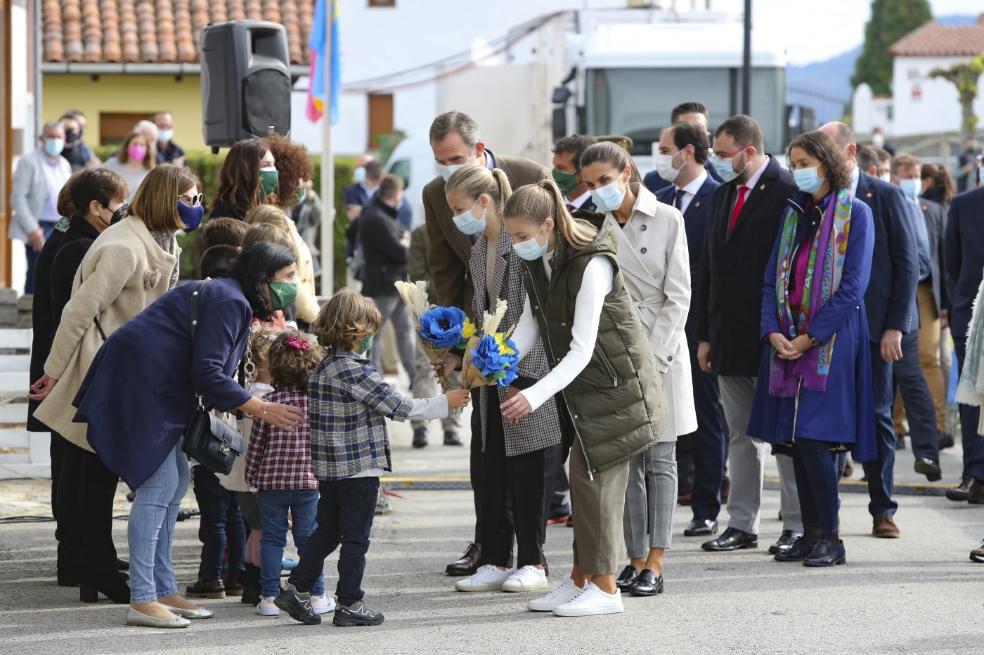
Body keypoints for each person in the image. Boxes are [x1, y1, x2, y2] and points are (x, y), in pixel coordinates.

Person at [70, 242, 305, 628]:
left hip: (152, 388)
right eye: (286, 278)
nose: (291, 287)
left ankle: (163, 589)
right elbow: (209, 373)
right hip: (141, 389)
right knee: (159, 486)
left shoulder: (228, 295)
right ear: (262, 279)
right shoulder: (230, 301)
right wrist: (262, 408)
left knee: (176, 479)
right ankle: (142, 598)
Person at [30, 165, 200, 603]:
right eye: (190, 198)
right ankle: (95, 568)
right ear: (167, 199)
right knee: (91, 474)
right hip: (98, 371)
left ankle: (96, 567)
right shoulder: (125, 246)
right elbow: (78, 312)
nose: (195, 207)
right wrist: (52, 373)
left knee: (98, 473)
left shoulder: (162, 240)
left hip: (125, 371)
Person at [497, 180, 665, 617]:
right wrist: (501, 352)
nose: (515, 246)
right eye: (511, 236)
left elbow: (582, 348)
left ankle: (606, 589)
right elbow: (534, 320)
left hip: (615, 388)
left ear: (548, 225)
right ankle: (579, 580)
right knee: (582, 483)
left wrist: (532, 395)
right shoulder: (542, 256)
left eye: (520, 236)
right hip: (582, 387)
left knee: (597, 488)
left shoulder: (593, 263)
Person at [274, 289, 471, 626]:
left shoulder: (323, 367)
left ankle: (297, 587)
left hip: (329, 469)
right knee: (356, 539)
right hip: (357, 469)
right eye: (369, 334)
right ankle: (349, 601)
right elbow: (399, 406)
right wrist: (445, 402)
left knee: (328, 532)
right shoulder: (355, 371)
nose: (370, 340)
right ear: (357, 332)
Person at [422, 110, 549, 577]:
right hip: (486, 349)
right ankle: (492, 550)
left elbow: (544, 287)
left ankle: (532, 554)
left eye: (454, 157)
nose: (445, 168)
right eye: (438, 160)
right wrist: (455, 341)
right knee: (488, 454)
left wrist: (511, 351)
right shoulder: (472, 238)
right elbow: (447, 273)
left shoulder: (529, 191)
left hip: (529, 354)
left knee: (528, 458)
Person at [748, 130, 876, 567]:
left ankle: (831, 537)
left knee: (817, 439)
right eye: (793, 162)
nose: (797, 170)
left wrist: (810, 337)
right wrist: (773, 333)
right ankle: (807, 531)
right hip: (786, 342)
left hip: (831, 342)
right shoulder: (794, 216)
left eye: (804, 162)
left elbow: (853, 288)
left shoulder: (855, 214)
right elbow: (769, 281)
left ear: (827, 163)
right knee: (794, 441)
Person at [578, 141, 695, 596]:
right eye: (590, 184)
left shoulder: (668, 218)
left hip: (662, 347)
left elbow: (679, 294)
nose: (599, 190)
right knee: (625, 459)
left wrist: (657, 355)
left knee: (661, 458)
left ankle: (657, 561)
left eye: (605, 180)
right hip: (616, 350)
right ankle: (632, 557)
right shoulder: (594, 226)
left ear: (626, 172)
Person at [442, 165, 562, 594]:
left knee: (529, 467)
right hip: (489, 371)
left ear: (484, 202)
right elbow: (482, 309)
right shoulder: (478, 250)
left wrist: (505, 360)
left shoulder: (523, 240)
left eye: (460, 208)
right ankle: (494, 556)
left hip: (529, 368)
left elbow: (536, 314)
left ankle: (533, 558)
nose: (457, 217)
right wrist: (470, 352)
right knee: (488, 463)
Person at [696, 115, 803, 556]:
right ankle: (742, 523)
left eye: (723, 155)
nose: (717, 163)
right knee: (739, 435)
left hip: (777, 338)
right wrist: (705, 334)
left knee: (785, 435)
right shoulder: (723, 194)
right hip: (729, 337)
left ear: (749, 151)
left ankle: (796, 524)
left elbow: (794, 269)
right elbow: (709, 271)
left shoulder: (789, 191)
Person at [28, 170, 128, 592]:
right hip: (68, 372)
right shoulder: (79, 248)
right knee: (76, 472)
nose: (123, 211)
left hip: (62, 370)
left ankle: (86, 555)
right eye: (119, 203)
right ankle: (77, 558)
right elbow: (72, 318)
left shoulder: (70, 238)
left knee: (73, 470)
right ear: (95, 207)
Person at [819, 122, 919, 537]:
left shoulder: (887, 196)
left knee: (878, 416)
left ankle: (883, 509)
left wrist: (896, 326)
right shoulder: (819, 199)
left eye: (827, 156)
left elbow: (907, 264)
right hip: (829, 329)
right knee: (826, 421)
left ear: (851, 152)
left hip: (877, 328)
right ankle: (825, 515)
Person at [654, 120, 728, 537]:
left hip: (699, 325)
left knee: (706, 418)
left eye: (666, 149)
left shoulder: (718, 198)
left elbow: (715, 272)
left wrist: (707, 333)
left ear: (688, 151)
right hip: (661, 326)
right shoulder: (662, 200)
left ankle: (707, 505)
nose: (661, 157)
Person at [245, 331, 334, 618]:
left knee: (272, 539)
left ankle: (270, 597)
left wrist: (252, 477)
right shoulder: (317, 403)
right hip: (309, 482)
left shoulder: (268, 403)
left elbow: (256, 445)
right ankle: (316, 594)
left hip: (272, 483)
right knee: (309, 539)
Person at [890, 153, 945, 481]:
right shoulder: (884, 202)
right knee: (880, 381)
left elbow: (928, 258)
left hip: (915, 298)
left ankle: (928, 448)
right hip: (888, 301)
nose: (914, 180)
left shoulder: (922, 208)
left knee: (918, 370)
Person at [944, 163, 984, 504]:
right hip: (972, 317)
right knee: (972, 399)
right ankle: (974, 474)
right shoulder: (964, 204)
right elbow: (951, 263)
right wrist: (958, 302)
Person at [406, 222, 464, 447]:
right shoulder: (422, 232)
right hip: (427, 310)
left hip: (456, 312)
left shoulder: (461, 231)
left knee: (454, 371)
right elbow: (416, 273)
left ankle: (452, 426)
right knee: (425, 369)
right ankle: (421, 425)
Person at [10, 121, 72, 294]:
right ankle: (28, 315)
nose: (54, 140)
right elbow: (18, 198)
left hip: (60, 225)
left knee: (57, 272)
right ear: (41, 138)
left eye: (58, 137)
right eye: (50, 137)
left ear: (64, 139)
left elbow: (68, 200)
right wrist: (33, 229)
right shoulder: (29, 161)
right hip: (39, 226)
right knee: (38, 272)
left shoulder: (64, 164)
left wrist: (66, 228)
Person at [245, 204, 319, 325]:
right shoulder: (244, 303)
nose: (292, 283)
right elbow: (311, 313)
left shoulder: (280, 301)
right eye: (289, 275)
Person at [643, 101, 722, 194]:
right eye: (685, 129)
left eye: (698, 129)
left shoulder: (722, 180)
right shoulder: (652, 181)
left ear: (707, 135)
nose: (692, 136)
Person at [211, 139, 276, 220]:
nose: (273, 170)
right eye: (266, 165)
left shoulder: (267, 207)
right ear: (246, 171)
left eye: (273, 164)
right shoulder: (224, 214)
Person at [103, 131, 157, 203]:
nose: (138, 147)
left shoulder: (152, 172)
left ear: (147, 149)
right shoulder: (112, 164)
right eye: (135, 144)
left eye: (142, 145)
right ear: (127, 147)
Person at [551, 134, 598, 211]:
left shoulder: (601, 211)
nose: (554, 173)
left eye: (561, 168)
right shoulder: (550, 206)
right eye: (555, 167)